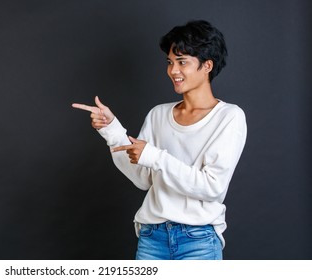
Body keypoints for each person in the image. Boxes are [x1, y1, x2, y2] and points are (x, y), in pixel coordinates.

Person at [72, 20, 247, 260]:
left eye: (182, 62)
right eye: (170, 62)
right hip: (152, 237)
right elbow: (142, 178)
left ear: (207, 66)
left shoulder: (229, 117)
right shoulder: (158, 114)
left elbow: (212, 188)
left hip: (198, 241)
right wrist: (112, 130)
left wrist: (156, 157)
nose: (173, 70)